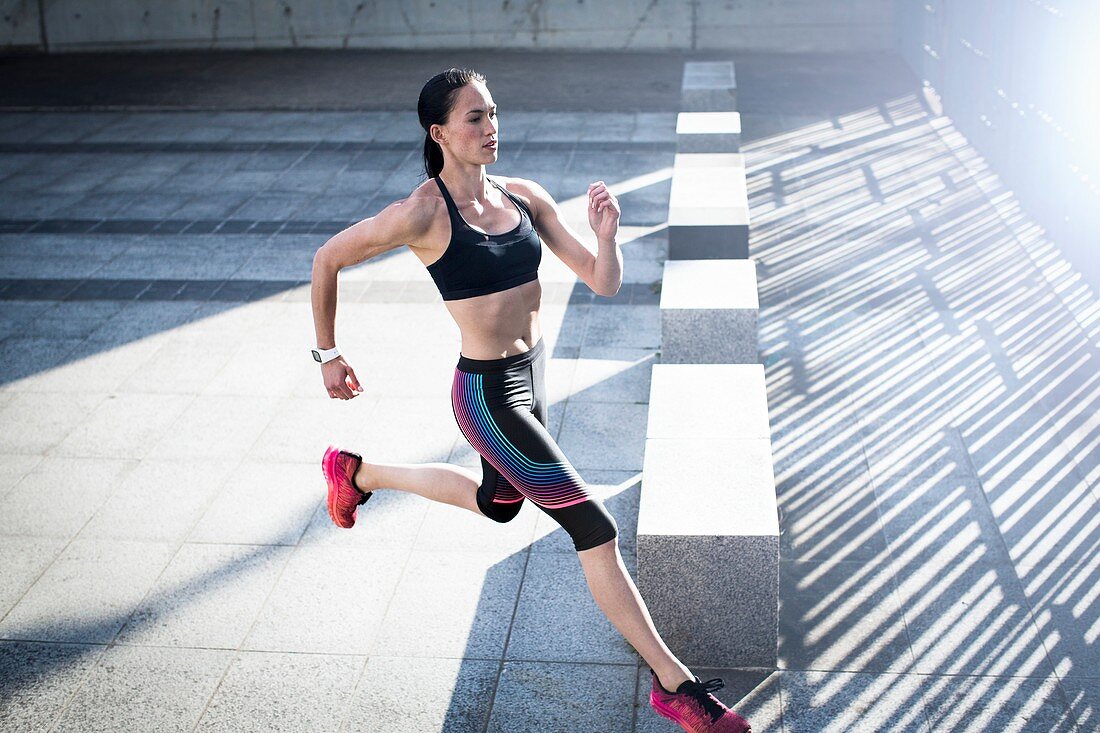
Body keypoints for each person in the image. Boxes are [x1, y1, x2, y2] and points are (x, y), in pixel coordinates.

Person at [309, 67, 751, 733]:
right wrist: (329, 354)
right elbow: (327, 259)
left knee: (498, 504)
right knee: (593, 527)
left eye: (492, 114)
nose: (490, 129)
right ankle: (676, 686)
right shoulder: (422, 213)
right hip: (487, 397)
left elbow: (601, 281)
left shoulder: (524, 198)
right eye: (473, 119)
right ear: (439, 133)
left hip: (531, 380)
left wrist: (606, 236)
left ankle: (355, 472)